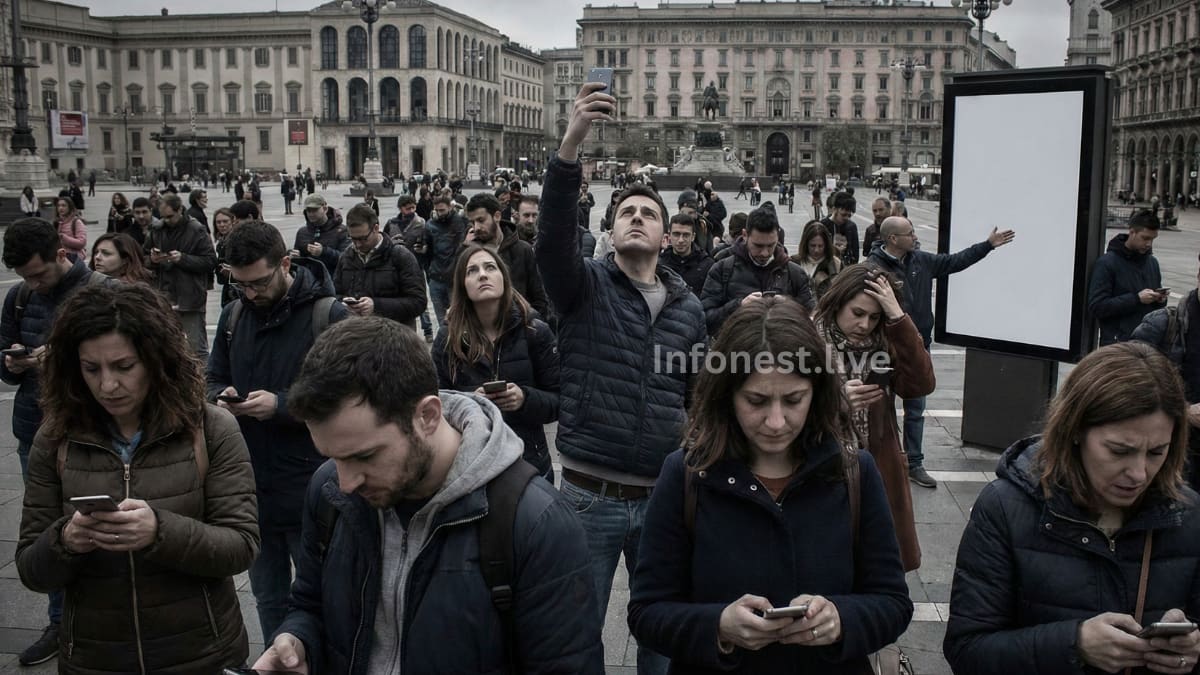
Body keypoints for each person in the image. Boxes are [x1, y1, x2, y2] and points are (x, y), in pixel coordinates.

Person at [251, 317, 604, 674]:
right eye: (332, 456)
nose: (345, 482)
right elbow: (310, 602)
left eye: (364, 456)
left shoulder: (536, 523)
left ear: (428, 416)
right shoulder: (329, 493)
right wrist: (297, 639)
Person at [627, 298, 914, 673]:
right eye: (757, 401)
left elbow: (893, 602)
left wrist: (842, 619)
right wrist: (718, 626)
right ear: (727, 396)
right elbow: (647, 612)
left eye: (794, 400)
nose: (776, 422)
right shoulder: (685, 475)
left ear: (818, 392)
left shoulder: (855, 472)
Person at [536, 81, 707, 675]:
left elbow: (696, 395)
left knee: (661, 631)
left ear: (667, 236)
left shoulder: (689, 308)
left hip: (661, 497)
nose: (637, 218)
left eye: (648, 214)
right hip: (589, 496)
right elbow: (552, 239)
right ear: (611, 229)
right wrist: (571, 145)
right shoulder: (582, 287)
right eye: (627, 212)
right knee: (577, 630)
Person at [15, 283, 260, 673]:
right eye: (91, 369)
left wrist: (159, 531)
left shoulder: (212, 429)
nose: (107, 386)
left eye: (124, 366)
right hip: (95, 659)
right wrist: (65, 540)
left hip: (202, 655)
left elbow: (240, 546)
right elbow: (31, 568)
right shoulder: (55, 438)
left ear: (157, 359)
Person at [944, 341, 1200, 675]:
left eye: (1156, 452)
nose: (1139, 473)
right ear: (1075, 430)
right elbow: (968, 651)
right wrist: (1073, 643)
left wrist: (1191, 650)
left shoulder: (1188, 514)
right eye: (1119, 451)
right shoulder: (1005, 509)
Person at [207, 220, 350, 643]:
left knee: (321, 599)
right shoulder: (233, 315)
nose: (250, 293)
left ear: (285, 263)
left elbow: (349, 395)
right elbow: (213, 375)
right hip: (250, 487)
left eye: (258, 282)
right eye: (240, 284)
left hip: (312, 485)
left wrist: (282, 405)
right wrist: (220, 395)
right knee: (268, 600)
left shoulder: (329, 315)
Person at [1, 218, 110, 665]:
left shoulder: (102, 292)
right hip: (36, 431)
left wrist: (58, 356)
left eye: (39, 274)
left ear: (62, 255)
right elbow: (4, 363)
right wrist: (14, 363)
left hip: (93, 434)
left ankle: (105, 624)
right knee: (50, 534)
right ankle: (59, 625)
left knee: (100, 529)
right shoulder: (21, 297)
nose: (33, 283)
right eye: (25, 276)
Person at [868, 215, 1015, 489]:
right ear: (893, 239)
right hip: (883, 350)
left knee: (916, 409)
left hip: (917, 348)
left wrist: (988, 245)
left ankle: (915, 463)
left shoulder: (921, 261)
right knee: (878, 407)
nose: (914, 236)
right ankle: (877, 462)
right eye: (909, 233)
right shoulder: (873, 268)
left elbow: (955, 261)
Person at [814, 264, 933, 571]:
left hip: (876, 463)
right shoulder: (807, 340)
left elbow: (920, 385)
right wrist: (836, 404)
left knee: (876, 562)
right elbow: (782, 411)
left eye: (875, 316)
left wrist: (898, 319)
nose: (865, 324)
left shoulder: (886, 341)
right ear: (837, 302)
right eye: (857, 313)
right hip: (821, 465)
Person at [432, 244, 560, 481]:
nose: (482, 274)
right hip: (471, 467)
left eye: (490, 267)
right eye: (472, 271)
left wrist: (524, 399)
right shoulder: (447, 337)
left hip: (529, 464)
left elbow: (558, 401)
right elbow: (437, 404)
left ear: (503, 277)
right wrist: (473, 402)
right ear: (462, 285)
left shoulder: (535, 331)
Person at [701, 203, 814, 337]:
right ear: (744, 235)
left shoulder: (795, 273)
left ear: (778, 236)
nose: (765, 253)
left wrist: (788, 307)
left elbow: (811, 319)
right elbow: (704, 320)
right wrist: (738, 306)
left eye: (771, 245)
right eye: (758, 246)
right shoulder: (722, 269)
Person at [144, 192, 218, 360]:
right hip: (165, 295)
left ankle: (203, 383)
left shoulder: (196, 229)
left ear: (180, 210)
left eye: (170, 216)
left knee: (196, 348)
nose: (166, 221)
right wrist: (153, 259)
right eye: (163, 217)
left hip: (190, 296)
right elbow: (142, 258)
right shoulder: (157, 229)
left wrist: (183, 259)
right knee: (166, 347)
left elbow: (210, 261)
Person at [334, 203, 428, 329]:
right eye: (353, 239)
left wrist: (376, 306)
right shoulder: (346, 257)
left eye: (362, 239)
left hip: (395, 338)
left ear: (376, 228)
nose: (357, 245)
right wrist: (344, 304)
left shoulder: (400, 256)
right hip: (356, 335)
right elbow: (336, 293)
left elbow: (418, 302)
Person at [463, 193, 551, 318]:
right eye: (473, 222)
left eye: (481, 220)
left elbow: (539, 298)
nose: (476, 227)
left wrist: (530, 327)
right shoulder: (469, 253)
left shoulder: (522, 250)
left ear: (497, 216)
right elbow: (458, 296)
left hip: (519, 327)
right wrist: (465, 248)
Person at [1088, 209, 1167, 347]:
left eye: (1153, 239)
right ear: (1132, 232)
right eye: (1145, 238)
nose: (1149, 244)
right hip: (1117, 345)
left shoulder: (1152, 262)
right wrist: (1136, 299)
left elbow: (1153, 308)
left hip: (1147, 344)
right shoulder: (1107, 263)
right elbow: (1097, 307)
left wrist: (1159, 300)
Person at [421, 194, 468, 323]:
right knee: (442, 320)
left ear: (450, 207)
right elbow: (427, 250)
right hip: (436, 277)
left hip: (454, 279)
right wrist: (422, 249)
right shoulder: (430, 225)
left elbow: (462, 249)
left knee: (457, 319)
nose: (439, 213)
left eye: (442, 210)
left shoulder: (460, 223)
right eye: (436, 210)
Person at [660, 212, 714, 297]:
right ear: (669, 236)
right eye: (676, 234)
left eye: (686, 235)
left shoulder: (707, 265)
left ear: (693, 237)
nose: (681, 240)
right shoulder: (659, 264)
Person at [294, 193, 351, 274]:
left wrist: (324, 252)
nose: (311, 214)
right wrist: (294, 256)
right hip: (309, 281)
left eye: (315, 210)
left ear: (325, 209)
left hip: (332, 280)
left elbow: (347, 259)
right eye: (308, 210)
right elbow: (298, 260)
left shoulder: (342, 231)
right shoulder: (302, 232)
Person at [791, 220, 843, 301]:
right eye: (812, 245)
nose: (816, 250)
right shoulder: (794, 262)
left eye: (820, 246)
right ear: (806, 244)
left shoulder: (835, 265)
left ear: (826, 245)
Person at [821, 191, 861, 267]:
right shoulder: (823, 225)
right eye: (843, 215)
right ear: (834, 209)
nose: (846, 218)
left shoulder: (851, 226)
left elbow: (855, 253)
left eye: (849, 215)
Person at [212, 206, 241, 307]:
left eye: (225, 221)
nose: (222, 225)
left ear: (233, 221)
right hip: (227, 286)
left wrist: (232, 273)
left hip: (238, 287)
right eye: (218, 222)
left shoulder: (237, 240)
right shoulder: (222, 241)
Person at [53, 197, 87, 263]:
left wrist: (63, 237)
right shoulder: (56, 222)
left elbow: (82, 243)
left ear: (70, 207)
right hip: (60, 259)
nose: (60, 208)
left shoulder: (76, 222)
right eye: (58, 206)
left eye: (63, 205)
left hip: (74, 259)